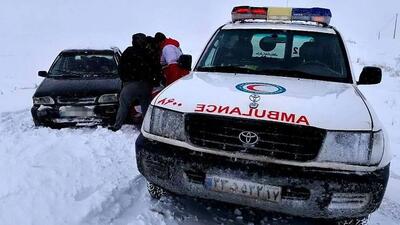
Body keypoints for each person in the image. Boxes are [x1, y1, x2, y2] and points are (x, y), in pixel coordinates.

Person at [111, 33, 155, 131]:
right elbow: (153, 68)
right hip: (145, 84)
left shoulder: (128, 51)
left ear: (133, 41)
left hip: (130, 84)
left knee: (123, 105)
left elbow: (121, 67)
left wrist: (125, 79)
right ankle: (147, 127)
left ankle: (117, 126)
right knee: (146, 106)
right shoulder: (148, 52)